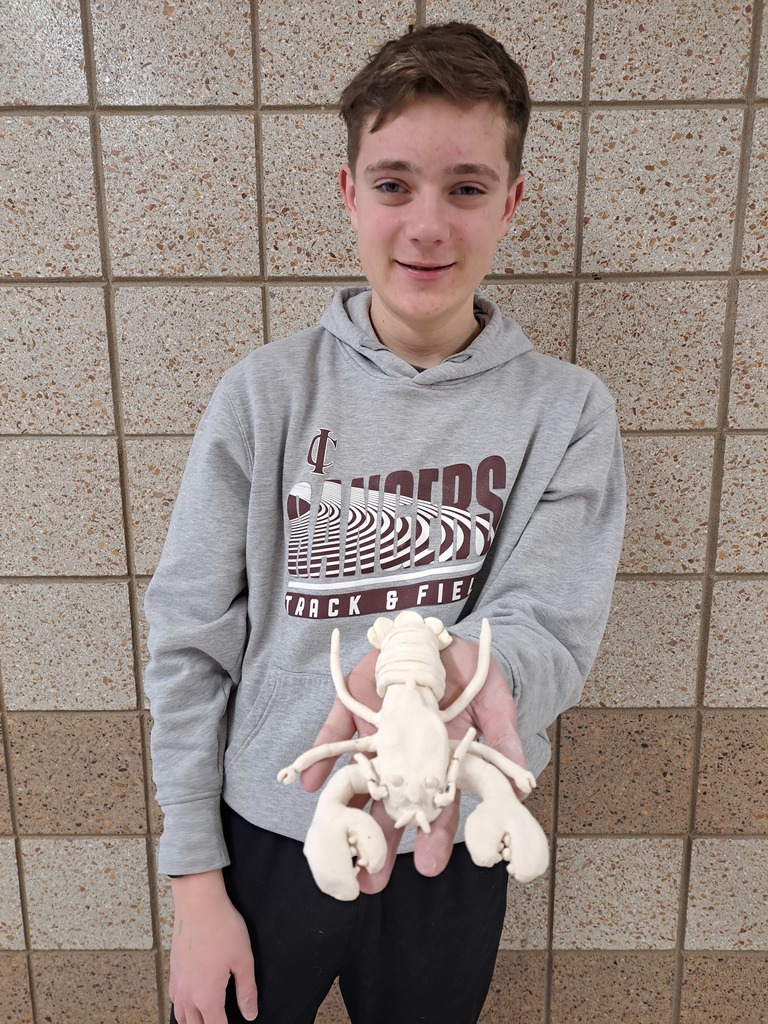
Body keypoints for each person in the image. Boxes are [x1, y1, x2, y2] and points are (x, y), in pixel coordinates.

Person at [144, 21, 626, 1024]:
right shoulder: (263, 395)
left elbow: (552, 625)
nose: (427, 227)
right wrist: (195, 885)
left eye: (466, 187)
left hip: (447, 846)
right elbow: (189, 637)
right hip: (265, 834)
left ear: (512, 201)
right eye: (395, 183)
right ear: (348, 192)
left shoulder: (567, 411)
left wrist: (454, 673)